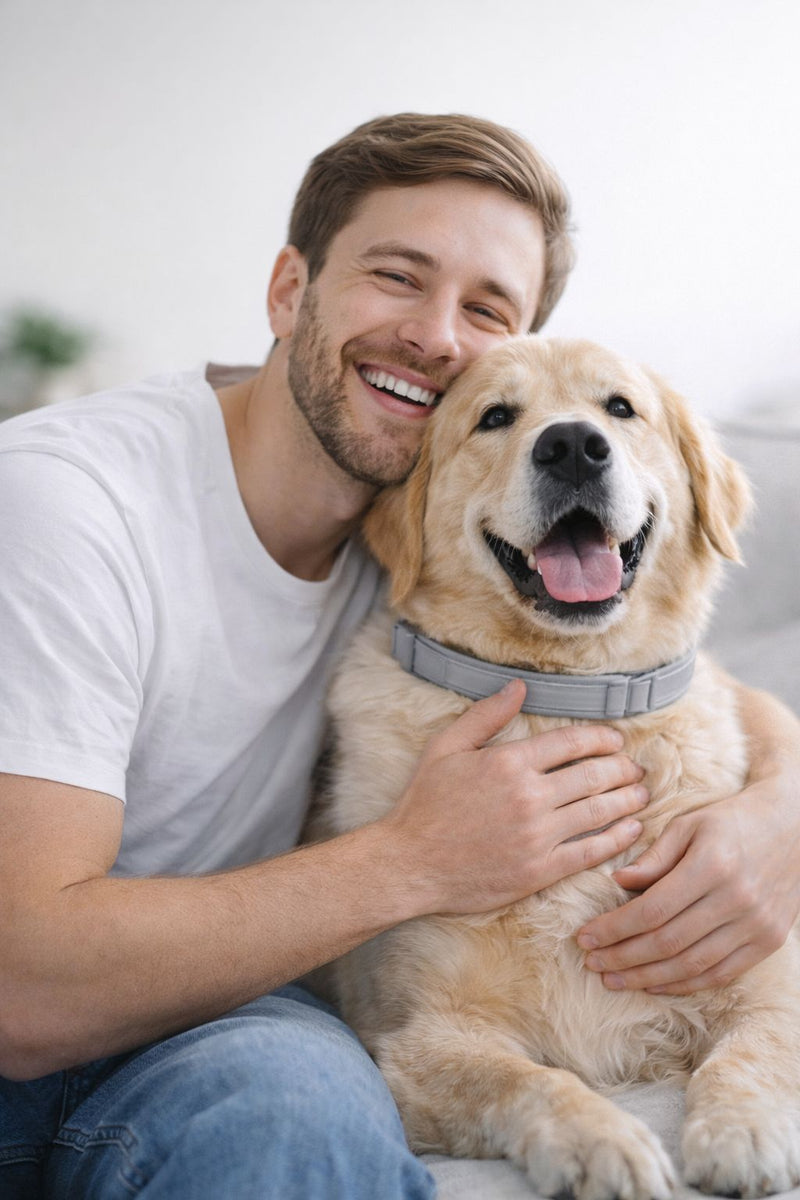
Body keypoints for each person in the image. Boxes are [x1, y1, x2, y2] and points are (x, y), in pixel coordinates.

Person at [0, 113, 797, 1200]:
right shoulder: (66, 506)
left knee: (294, 1119)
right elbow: (22, 987)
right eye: (395, 275)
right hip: (38, 1025)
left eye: (484, 310)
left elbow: (680, 683)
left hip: (224, 1024)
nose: (434, 336)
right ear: (288, 292)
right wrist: (417, 859)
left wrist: (776, 815)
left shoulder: (442, 534)